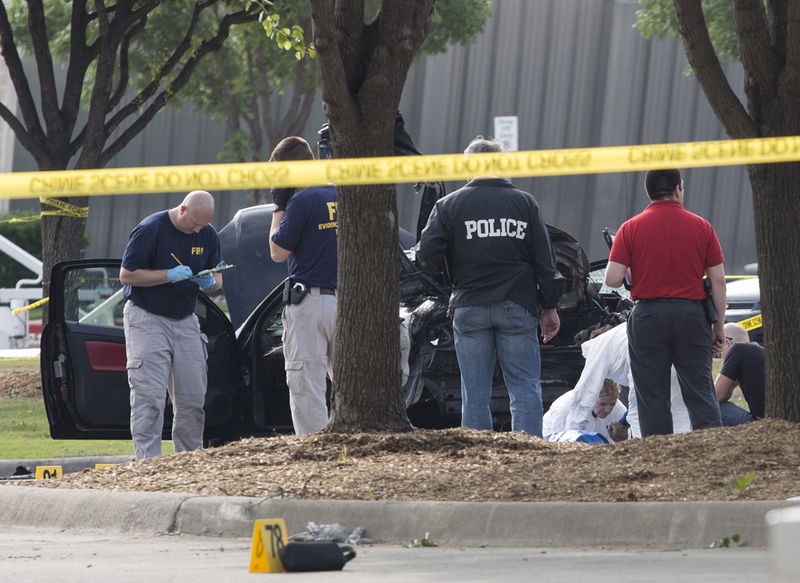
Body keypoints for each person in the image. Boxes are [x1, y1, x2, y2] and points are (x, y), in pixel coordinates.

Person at [415, 135, 564, 436]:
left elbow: (425, 259)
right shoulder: (525, 204)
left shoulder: (448, 206)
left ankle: (479, 455)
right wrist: (549, 305)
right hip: (517, 305)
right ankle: (528, 452)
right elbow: (546, 264)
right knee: (524, 387)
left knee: (474, 392)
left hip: (468, 306)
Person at [605, 169, 726, 436]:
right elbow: (718, 280)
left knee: (651, 394)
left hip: (648, 316)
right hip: (692, 317)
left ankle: (658, 457)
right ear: (678, 189)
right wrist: (719, 326)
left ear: (649, 192)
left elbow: (613, 279)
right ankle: (712, 450)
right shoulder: (702, 226)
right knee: (700, 389)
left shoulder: (630, 228)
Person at [120, 190, 222, 459]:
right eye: (194, 223)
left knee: (192, 400)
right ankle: (148, 462)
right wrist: (168, 275)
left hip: (186, 319)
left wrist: (210, 282)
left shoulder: (207, 234)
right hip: (148, 318)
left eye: (202, 225)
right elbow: (127, 275)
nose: (197, 229)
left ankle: (189, 461)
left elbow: (218, 275)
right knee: (149, 397)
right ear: (183, 209)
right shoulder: (151, 229)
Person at [268, 136, 337, 435]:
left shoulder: (300, 201)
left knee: (306, 381)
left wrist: (277, 207)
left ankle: (315, 449)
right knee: (346, 381)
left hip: (309, 302)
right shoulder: (338, 193)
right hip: (344, 301)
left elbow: (277, 251)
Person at [543, 379, 628, 443]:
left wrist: (622, 440)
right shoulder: (563, 407)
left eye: (612, 404)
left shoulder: (619, 409)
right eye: (602, 404)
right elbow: (556, 444)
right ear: (590, 398)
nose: (608, 409)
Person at [715, 322, 764, 425]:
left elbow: (716, 395)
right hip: (780, 421)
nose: (721, 357)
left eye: (720, 352)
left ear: (727, 342)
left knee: (713, 406)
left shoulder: (738, 350)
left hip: (761, 424)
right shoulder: (759, 351)